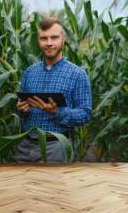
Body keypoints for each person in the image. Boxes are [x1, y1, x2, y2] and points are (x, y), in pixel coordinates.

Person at [15, 17, 92, 163]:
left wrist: (57, 112)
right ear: (38, 41)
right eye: (44, 38)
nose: (49, 43)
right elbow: (21, 109)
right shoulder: (30, 72)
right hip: (25, 145)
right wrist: (21, 109)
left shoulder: (77, 74)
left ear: (63, 39)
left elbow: (85, 114)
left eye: (54, 37)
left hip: (56, 148)